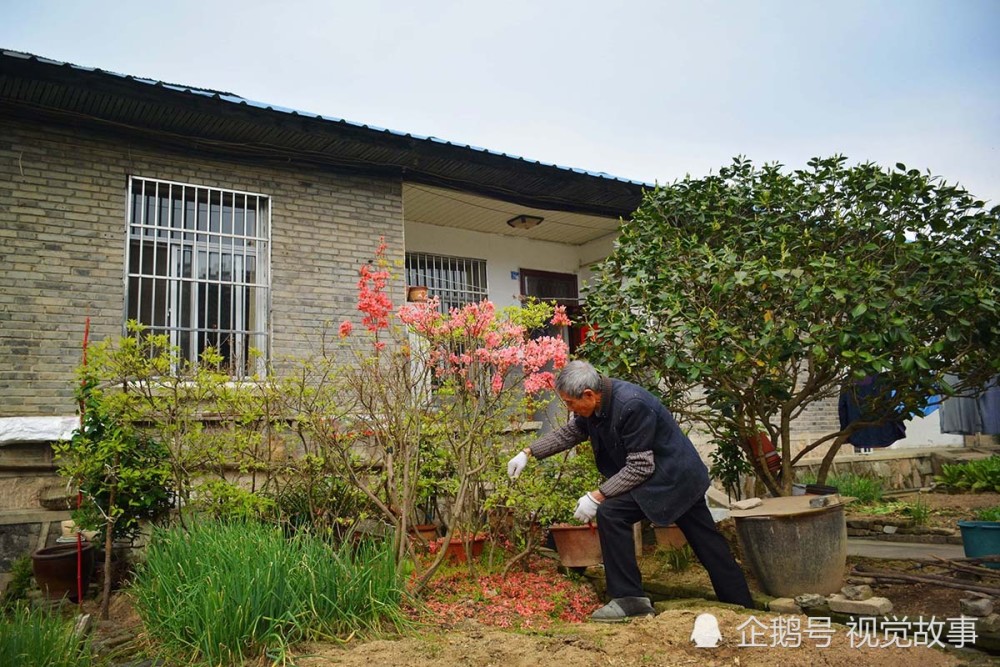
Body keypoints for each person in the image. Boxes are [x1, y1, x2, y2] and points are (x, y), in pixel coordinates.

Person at [506, 360, 754, 621]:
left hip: (675, 479)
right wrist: (529, 452)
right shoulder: (595, 407)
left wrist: (597, 495)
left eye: (569, 403)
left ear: (588, 395)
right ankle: (632, 599)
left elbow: (640, 466)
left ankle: (739, 606)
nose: (570, 409)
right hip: (658, 477)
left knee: (695, 540)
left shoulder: (631, 405)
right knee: (700, 540)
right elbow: (571, 432)